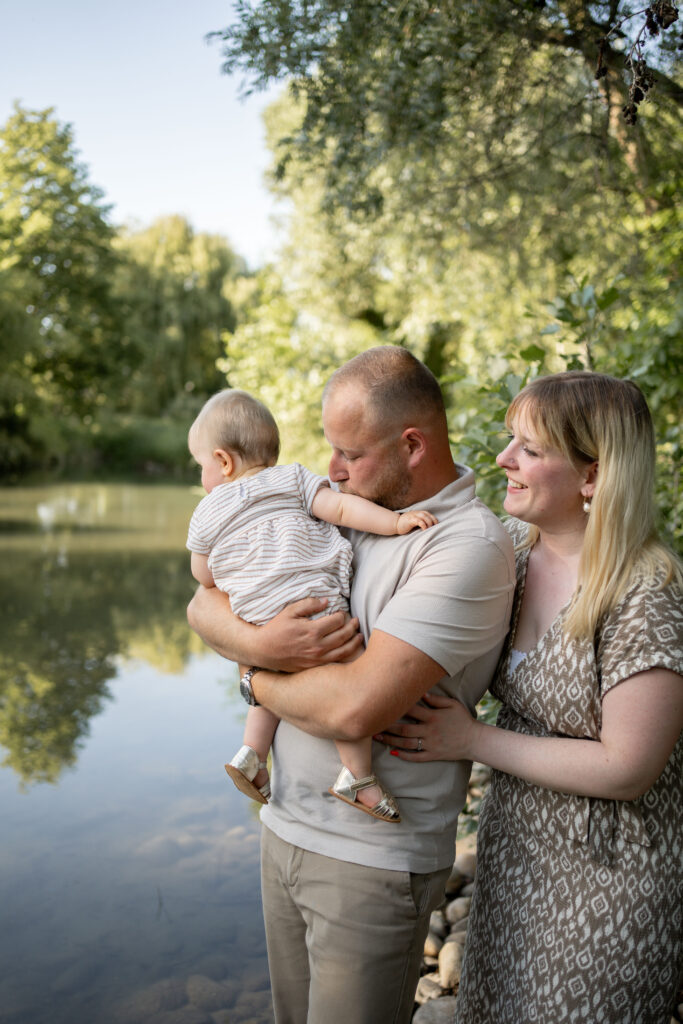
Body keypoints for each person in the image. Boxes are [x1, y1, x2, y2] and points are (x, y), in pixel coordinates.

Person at [187, 346, 516, 1024]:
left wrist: (252, 673)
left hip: (370, 861)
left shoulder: (463, 545)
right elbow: (199, 606)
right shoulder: (350, 504)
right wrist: (258, 644)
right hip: (285, 827)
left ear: (411, 444)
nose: (331, 469)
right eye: (330, 451)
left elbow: (351, 708)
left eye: (350, 453)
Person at [376, 371, 683, 1024]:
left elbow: (628, 766)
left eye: (530, 450)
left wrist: (470, 739)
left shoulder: (644, 594)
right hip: (516, 859)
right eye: (508, 440)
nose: (502, 461)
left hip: (611, 880)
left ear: (592, 477)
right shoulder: (510, 558)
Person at [186, 387, 437, 822]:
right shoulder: (291, 479)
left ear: (223, 462)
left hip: (257, 616)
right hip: (317, 609)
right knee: (346, 665)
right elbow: (342, 509)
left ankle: (252, 753)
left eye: (201, 465)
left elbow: (203, 577)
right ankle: (357, 775)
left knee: (269, 669)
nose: (202, 476)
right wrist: (395, 523)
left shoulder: (207, 511)